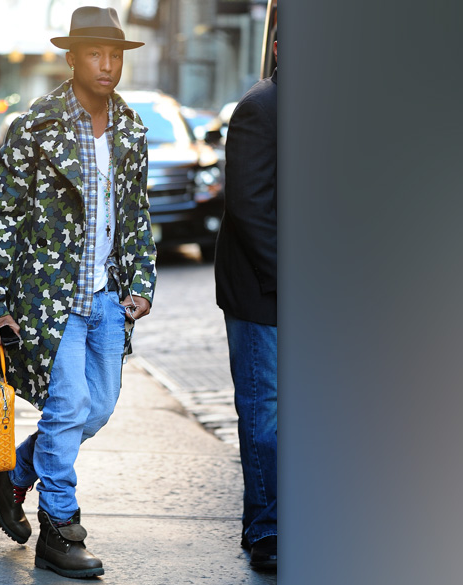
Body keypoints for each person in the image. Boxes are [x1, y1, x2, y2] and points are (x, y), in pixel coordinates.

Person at [0, 6, 155, 579]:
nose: (107, 65)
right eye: (95, 54)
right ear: (72, 58)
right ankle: (60, 527)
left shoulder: (132, 129)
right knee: (68, 405)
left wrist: (142, 282)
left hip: (106, 297)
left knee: (94, 410)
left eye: (115, 55)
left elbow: (137, 215)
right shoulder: (35, 125)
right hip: (49, 299)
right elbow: (3, 215)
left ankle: (14, 472)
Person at [214, 39, 278, 571]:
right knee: (264, 414)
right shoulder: (260, 107)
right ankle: (267, 530)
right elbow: (249, 208)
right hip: (264, 293)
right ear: (279, 48)